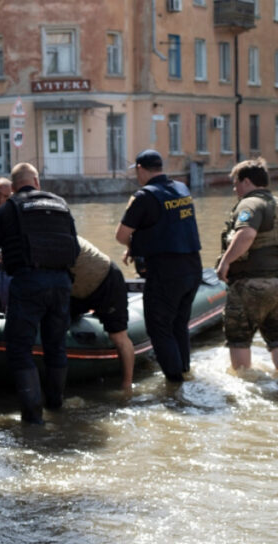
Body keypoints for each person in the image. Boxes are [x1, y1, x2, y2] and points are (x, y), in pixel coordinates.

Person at [0, 162, 78, 424]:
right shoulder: (61, 205)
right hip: (61, 283)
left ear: (12, 187)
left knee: (20, 349)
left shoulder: (9, 208)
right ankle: (56, 407)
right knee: (56, 346)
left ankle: (33, 419)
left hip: (28, 282)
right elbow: (75, 249)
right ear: (37, 181)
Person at [115, 149, 202, 383]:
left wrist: (133, 245)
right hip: (193, 268)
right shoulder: (182, 188)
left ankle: (174, 385)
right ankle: (184, 370)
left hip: (167, 273)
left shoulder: (144, 197)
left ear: (141, 169)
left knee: (159, 327)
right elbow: (170, 226)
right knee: (179, 325)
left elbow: (121, 235)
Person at [215, 158, 278, 372]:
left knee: (239, 337)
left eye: (236, 183)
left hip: (250, 285)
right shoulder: (276, 204)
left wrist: (225, 262)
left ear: (247, 182)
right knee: (276, 338)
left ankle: (243, 384)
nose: (235, 189)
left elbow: (247, 234)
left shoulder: (250, 204)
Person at [70, 235, 136, 390]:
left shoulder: (62, 237)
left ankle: (127, 385)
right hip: (76, 291)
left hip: (106, 281)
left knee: (118, 336)